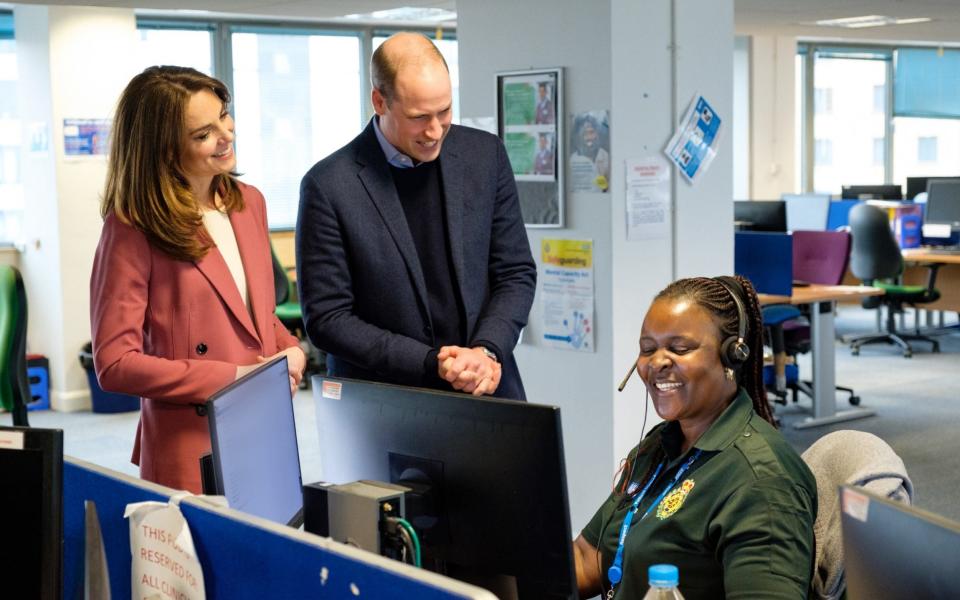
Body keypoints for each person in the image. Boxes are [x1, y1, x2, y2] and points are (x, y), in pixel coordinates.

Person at [90, 66, 306, 493]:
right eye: (204, 134)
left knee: (267, 554)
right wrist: (234, 376)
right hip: (190, 441)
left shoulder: (249, 202)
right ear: (165, 150)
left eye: (224, 117)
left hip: (263, 424)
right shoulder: (133, 226)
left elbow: (254, 315)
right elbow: (114, 364)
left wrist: (291, 350)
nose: (227, 135)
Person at [297, 32, 536, 400]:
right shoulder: (328, 185)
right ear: (379, 101)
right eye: (418, 117)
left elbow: (514, 272)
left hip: (487, 386)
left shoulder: (484, 155)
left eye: (445, 112)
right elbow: (328, 319)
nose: (435, 130)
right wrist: (431, 362)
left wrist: (486, 351)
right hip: (384, 401)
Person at [573, 276, 816, 600]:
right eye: (648, 349)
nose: (657, 362)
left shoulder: (762, 484)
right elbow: (588, 561)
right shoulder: (659, 447)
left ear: (732, 357)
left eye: (680, 348)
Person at [572, 114, 610, 190]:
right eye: (585, 133)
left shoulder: (605, 156)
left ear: (597, 134)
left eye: (591, 132)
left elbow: (607, 187)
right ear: (580, 136)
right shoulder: (574, 159)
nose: (589, 137)